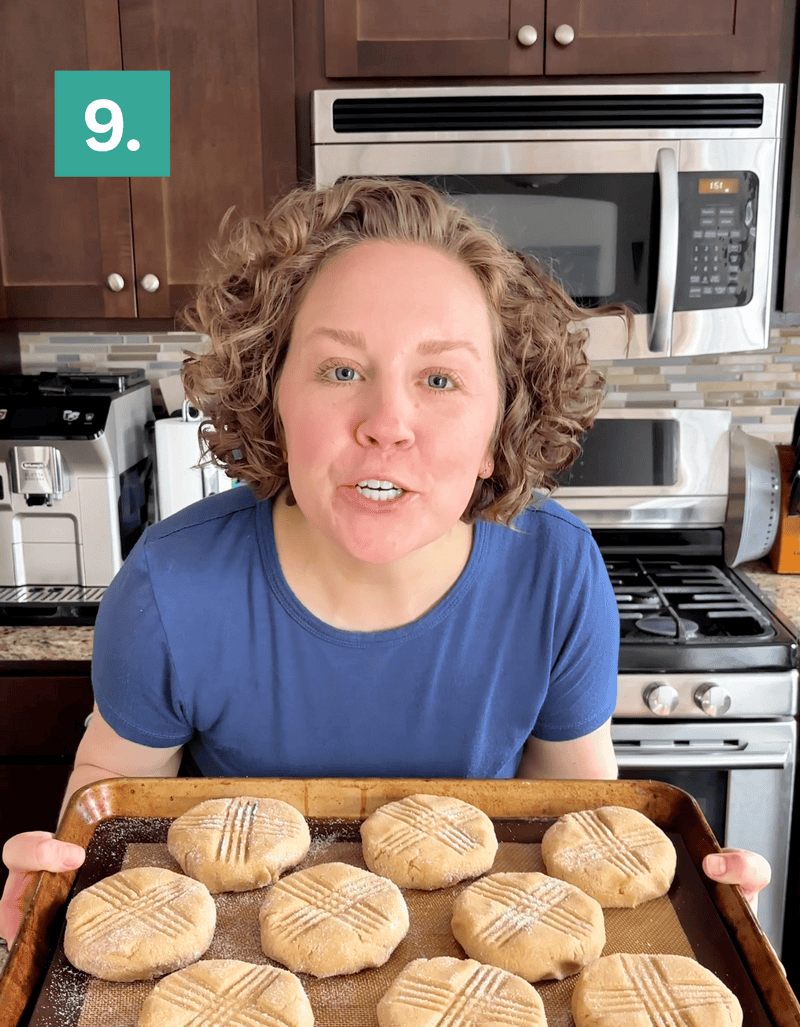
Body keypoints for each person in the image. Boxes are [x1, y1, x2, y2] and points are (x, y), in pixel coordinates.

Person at [0, 178, 772, 947]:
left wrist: (693, 922)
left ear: (498, 429)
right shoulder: (171, 587)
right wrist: (51, 895)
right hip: (228, 966)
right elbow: (107, 817)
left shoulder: (556, 573)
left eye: (440, 380)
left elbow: (577, 824)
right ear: (272, 396)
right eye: (341, 371)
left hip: (476, 974)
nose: (386, 425)